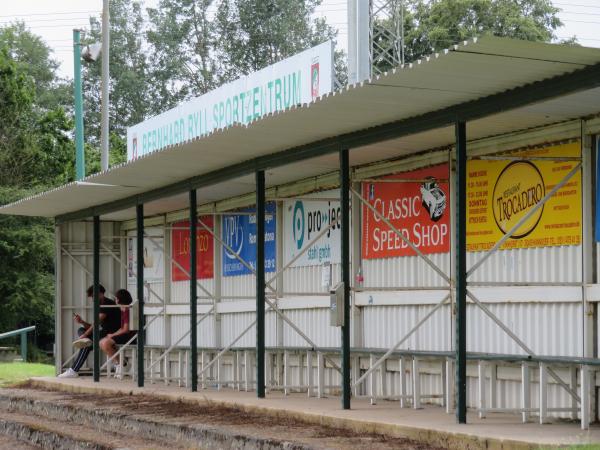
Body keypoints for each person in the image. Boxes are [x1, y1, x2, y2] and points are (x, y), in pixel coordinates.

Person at [58, 284, 120, 378]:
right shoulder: (101, 304)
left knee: (86, 344)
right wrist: (82, 322)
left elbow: (96, 323)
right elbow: (94, 326)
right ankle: (86, 341)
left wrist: (85, 334)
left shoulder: (107, 304)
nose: (93, 299)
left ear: (101, 294)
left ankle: (74, 371)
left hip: (110, 334)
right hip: (104, 331)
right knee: (81, 329)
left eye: (94, 296)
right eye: (92, 297)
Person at [99, 289, 137, 376]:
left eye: (116, 298)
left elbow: (126, 329)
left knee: (106, 343)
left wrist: (113, 335)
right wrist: (112, 335)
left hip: (130, 336)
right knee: (102, 342)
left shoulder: (127, 310)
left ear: (119, 299)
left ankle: (122, 365)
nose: (115, 300)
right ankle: (121, 363)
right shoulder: (123, 310)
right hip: (125, 334)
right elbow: (122, 328)